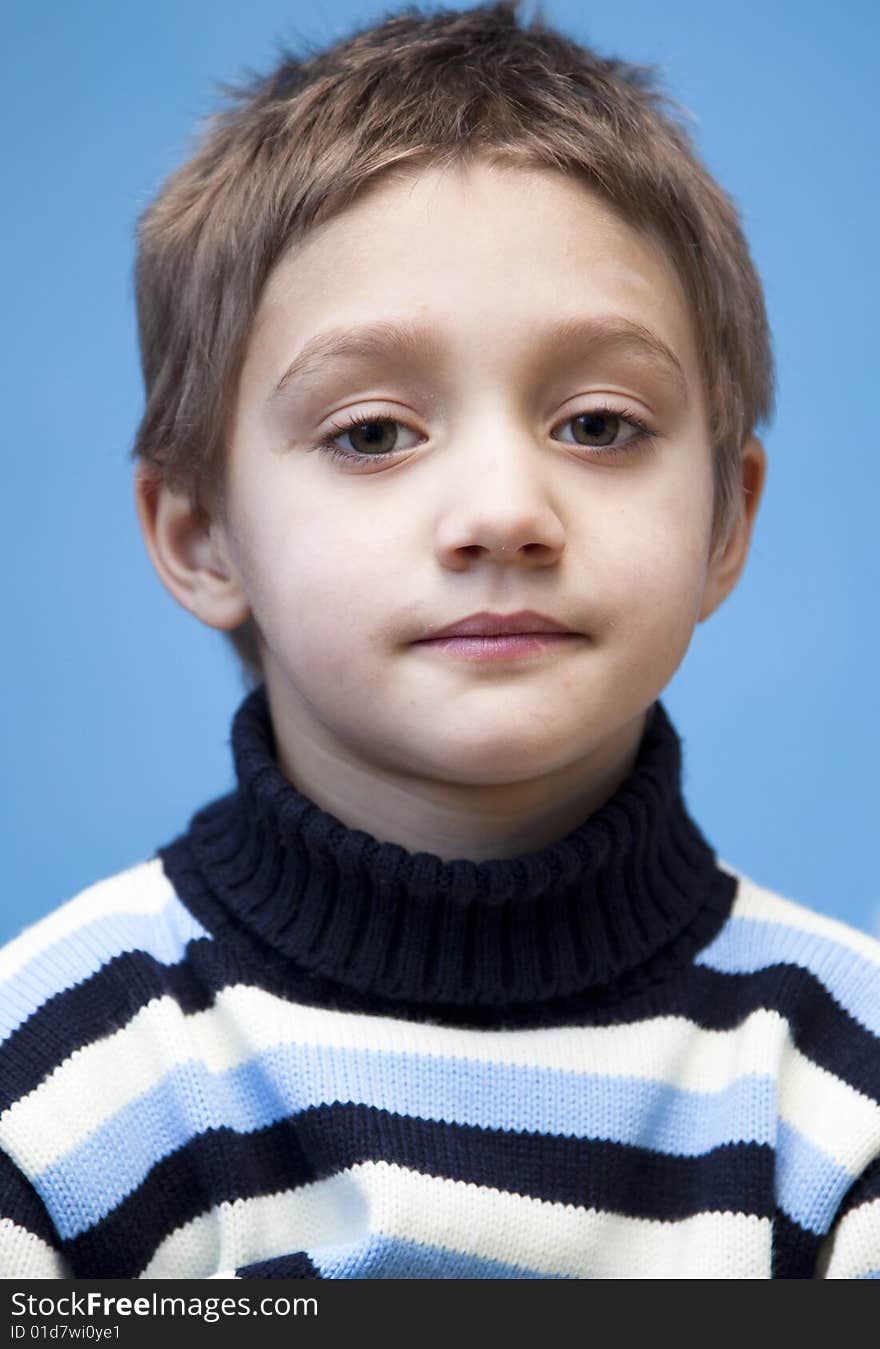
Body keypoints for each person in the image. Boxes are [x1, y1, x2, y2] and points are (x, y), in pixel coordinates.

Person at [1, 0, 878, 1281]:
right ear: (201, 535)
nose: (504, 513)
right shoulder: (62, 1079)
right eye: (370, 432)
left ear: (725, 521)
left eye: (596, 423)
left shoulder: (839, 1084)